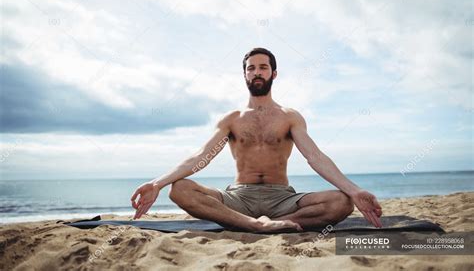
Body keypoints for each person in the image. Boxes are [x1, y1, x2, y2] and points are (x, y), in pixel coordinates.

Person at [131, 47, 383, 232]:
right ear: (245, 75)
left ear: (274, 74)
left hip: (283, 199)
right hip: (238, 197)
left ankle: (278, 223)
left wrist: (354, 190)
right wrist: (157, 183)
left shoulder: (289, 117)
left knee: (341, 202)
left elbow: (314, 157)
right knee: (180, 189)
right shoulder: (232, 119)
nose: (257, 72)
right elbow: (200, 157)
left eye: (263, 67)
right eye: (251, 68)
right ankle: (255, 225)